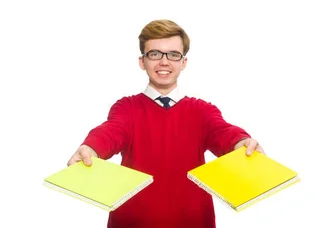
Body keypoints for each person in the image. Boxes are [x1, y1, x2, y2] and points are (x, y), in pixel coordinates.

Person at [66, 19, 264, 228]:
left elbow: (222, 132)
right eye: (155, 54)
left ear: (183, 62)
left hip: (193, 222)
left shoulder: (202, 110)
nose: (164, 62)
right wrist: (91, 147)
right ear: (142, 61)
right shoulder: (127, 108)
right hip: (132, 222)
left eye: (173, 55)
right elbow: (112, 131)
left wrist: (241, 142)